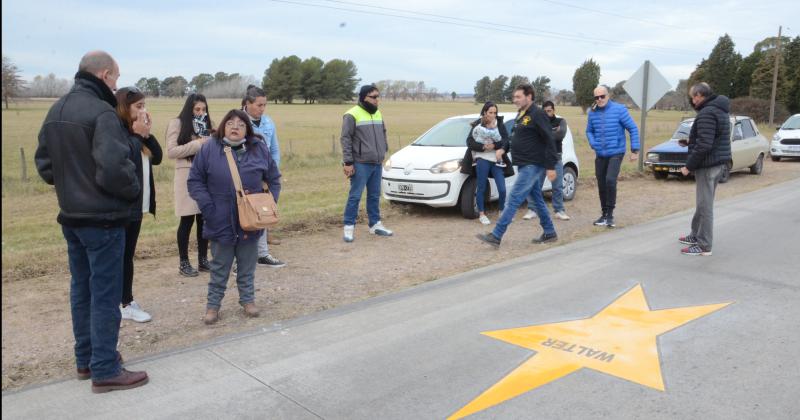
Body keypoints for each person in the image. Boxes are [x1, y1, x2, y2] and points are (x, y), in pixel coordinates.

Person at [35, 50, 148, 392]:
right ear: (103, 75)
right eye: (115, 77)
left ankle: (86, 359)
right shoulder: (102, 113)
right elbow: (115, 168)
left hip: (71, 218)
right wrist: (131, 192)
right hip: (103, 219)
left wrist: (73, 186)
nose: (116, 85)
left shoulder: (57, 110)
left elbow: (45, 166)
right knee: (104, 293)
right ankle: (104, 367)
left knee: (81, 290)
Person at [188, 109, 281, 325]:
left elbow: (274, 178)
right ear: (223, 126)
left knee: (248, 264)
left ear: (247, 128)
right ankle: (213, 306)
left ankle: (247, 300)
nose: (235, 126)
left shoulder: (259, 148)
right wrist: (208, 207)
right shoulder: (209, 148)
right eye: (230, 122)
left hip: (252, 219)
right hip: (219, 217)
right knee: (220, 266)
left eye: (241, 123)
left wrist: (268, 204)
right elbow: (195, 181)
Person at [476, 84, 558, 248]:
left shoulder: (538, 114)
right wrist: (503, 149)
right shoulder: (522, 114)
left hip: (534, 164)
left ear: (529, 96)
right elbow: (513, 137)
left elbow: (550, 140)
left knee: (513, 198)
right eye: (514, 97)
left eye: (518, 97)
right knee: (536, 199)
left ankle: (496, 235)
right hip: (523, 163)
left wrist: (550, 166)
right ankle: (550, 232)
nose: (515, 100)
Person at [114, 87, 162, 323]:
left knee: (127, 256)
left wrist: (147, 134)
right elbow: (123, 161)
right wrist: (136, 136)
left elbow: (159, 157)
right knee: (121, 257)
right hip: (124, 207)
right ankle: (123, 303)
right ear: (125, 108)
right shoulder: (120, 134)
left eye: (145, 105)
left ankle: (125, 299)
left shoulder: (138, 135)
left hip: (139, 206)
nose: (144, 110)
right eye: (139, 106)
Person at [678, 82, 731, 256]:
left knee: (705, 205)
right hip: (717, 162)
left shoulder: (707, 112)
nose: (693, 101)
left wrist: (688, 166)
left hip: (708, 165)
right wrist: (689, 142)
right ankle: (696, 235)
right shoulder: (720, 110)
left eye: (693, 97)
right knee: (703, 203)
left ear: (700, 95)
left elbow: (704, 145)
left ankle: (704, 245)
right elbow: (712, 138)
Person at [166, 94, 213, 277]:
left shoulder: (207, 125)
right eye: (197, 110)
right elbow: (171, 152)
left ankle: (203, 260)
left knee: (203, 219)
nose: (201, 113)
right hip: (186, 175)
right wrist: (197, 144)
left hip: (206, 176)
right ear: (189, 109)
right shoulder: (177, 123)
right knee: (187, 220)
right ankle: (183, 262)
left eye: (204, 109)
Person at [340, 84, 393, 242]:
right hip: (360, 163)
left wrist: (383, 150)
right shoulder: (351, 114)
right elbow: (345, 139)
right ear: (364, 97)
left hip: (377, 162)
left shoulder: (378, 113)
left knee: (374, 195)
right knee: (355, 196)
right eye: (374, 97)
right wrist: (348, 162)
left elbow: (383, 133)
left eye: (378, 96)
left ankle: (375, 224)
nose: (377, 100)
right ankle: (349, 227)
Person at [242, 85, 285, 268]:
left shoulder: (268, 122)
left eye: (264, 105)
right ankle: (240, 259)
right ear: (248, 104)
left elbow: (274, 149)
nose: (262, 109)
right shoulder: (237, 121)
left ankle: (262, 254)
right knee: (243, 216)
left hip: (265, 176)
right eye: (259, 105)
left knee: (263, 213)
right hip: (245, 176)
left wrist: (270, 173)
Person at [585, 85, 639, 228]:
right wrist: (593, 143)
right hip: (600, 153)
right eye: (597, 97)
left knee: (610, 180)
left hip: (616, 152)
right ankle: (604, 215)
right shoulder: (592, 112)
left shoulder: (619, 110)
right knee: (601, 183)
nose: (600, 99)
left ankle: (610, 215)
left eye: (602, 96)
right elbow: (589, 131)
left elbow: (633, 128)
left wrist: (635, 150)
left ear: (608, 96)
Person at [459, 101, 513, 225]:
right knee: (481, 187)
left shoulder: (499, 124)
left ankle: (501, 211)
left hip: (497, 160)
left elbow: (505, 141)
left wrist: (496, 146)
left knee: (502, 189)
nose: (493, 115)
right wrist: (483, 147)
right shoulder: (478, 124)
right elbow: (470, 142)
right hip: (482, 159)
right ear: (484, 112)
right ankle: (482, 214)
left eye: (495, 113)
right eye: (490, 112)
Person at [523, 101, 570, 221]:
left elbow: (560, 134)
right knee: (535, 185)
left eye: (549, 110)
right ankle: (532, 209)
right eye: (545, 111)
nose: (547, 113)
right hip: (540, 158)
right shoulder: (538, 122)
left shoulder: (560, 121)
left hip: (555, 158)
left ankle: (559, 210)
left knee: (557, 186)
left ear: (554, 110)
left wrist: (544, 134)